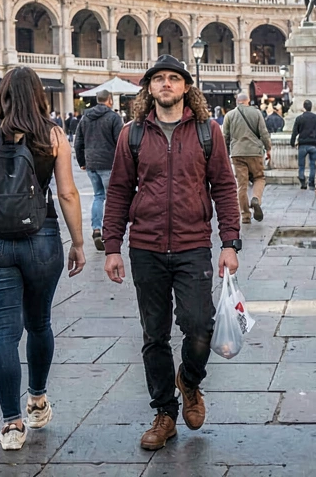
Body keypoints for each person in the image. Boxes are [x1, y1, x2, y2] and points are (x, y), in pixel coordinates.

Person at [101, 54, 241, 451]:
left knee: (200, 326)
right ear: (149, 88)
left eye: (173, 79)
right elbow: (118, 192)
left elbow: (225, 188)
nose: (166, 84)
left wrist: (229, 242)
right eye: (159, 79)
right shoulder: (131, 134)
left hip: (193, 244)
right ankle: (164, 413)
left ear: (185, 88)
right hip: (145, 247)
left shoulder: (206, 131)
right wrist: (113, 247)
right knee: (154, 335)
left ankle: (190, 381)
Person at [0, 67, 86, 451]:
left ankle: (11, 425)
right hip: (42, 237)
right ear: (39, 96)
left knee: (4, 333)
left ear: (4, 95)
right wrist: (78, 242)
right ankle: (37, 400)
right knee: (40, 323)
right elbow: (67, 195)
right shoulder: (53, 135)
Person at [75, 89, 124, 251]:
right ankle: (109, 232)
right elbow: (121, 143)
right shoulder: (114, 118)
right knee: (112, 199)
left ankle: (96, 228)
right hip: (108, 163)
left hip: (91, 163)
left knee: (98, 196)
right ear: (110, 100)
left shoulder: (85, 117)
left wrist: (82, 161)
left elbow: (78, 142)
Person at [223, 91, 271, 224]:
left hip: (237, 153)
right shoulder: (256, 113)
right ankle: (256, 198)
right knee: (259, 177)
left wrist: (225, 154)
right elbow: (264, 133)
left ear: (237, 101)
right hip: (254, 152)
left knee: (241, 185)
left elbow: (224, 137)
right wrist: (268, 149)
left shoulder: (229, 115)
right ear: (248, 100)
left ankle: (245, 216)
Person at [291, 100, 316, 190]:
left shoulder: (299, 118)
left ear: (304, 107)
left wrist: (292, 142)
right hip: (314, 144)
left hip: (303, 144)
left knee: (301, 165)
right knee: (313, 164)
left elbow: (294, 132)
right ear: (311, 107)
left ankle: (302, 178)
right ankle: (311, 182)